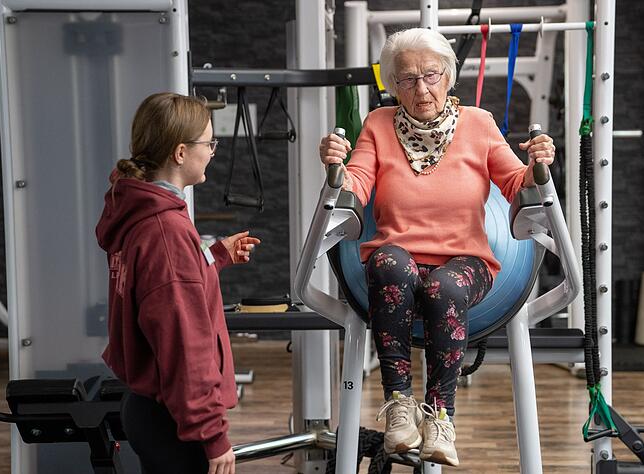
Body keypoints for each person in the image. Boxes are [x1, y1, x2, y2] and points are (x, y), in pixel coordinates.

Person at [318, 28, 555, 466]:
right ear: (393, 85)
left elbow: (515, 181)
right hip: (398, 257)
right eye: (407, 79)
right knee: (387, 262)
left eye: (430, 75)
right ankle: (400, 407)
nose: (421, 89)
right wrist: (336, 167)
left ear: (448, 76)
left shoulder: (479, 124)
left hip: (466, 262)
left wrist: (538, 165)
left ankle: (441, 417)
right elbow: (357, 182)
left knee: (442, 288)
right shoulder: (378, 124)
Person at [96, 92, 260, 474]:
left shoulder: (141, 212)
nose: (213, 152)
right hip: (174, 422)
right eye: (209, 143)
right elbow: (185, 345)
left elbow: (164, 290)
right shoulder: (165, 230)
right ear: (181, 153)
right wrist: (212, 434)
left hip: (151, 409)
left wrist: (215, 256)